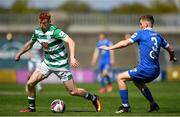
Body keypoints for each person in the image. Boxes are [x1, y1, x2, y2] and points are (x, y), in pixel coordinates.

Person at [15, 11, 102, 113]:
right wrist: (19, 53)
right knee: (30, 83)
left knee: (73, 91)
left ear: (50, 22)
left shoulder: (55, 31)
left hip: (61, 65)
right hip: (47, 64)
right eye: (41, 23)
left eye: (45, 23)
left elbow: (71, 41)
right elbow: (30, 44)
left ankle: (94, 98)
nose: (43, 25)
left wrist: (72, 58)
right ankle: (31, 108)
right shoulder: (37, 32)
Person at [99, 15, 177, 113]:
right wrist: (172, 57)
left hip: (145, 69)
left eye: (140, 24)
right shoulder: (158, 36)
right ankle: (153, 104)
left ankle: (125, 106)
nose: (139, 26)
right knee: (137, 81)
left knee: (120, 77)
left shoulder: (141, 34)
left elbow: (125, 43)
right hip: (156, 70)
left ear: (146, 24)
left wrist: (109, 48)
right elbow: (171, 49)